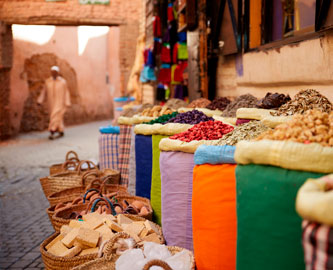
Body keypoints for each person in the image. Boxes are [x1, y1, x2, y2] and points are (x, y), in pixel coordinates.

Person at [37, 66, 71, 140]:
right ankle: (60, 130)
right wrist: (40, 100)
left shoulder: (63, 82)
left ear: (58, 73)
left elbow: (66, 92)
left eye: (55, 72)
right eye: (52, 72)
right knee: (57, 116)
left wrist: (67, 102)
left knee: (55, 115)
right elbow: (44, 92)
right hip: (51, 102)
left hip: (60, 102)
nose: (54, 73)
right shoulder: (48, 81)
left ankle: (52, 130)